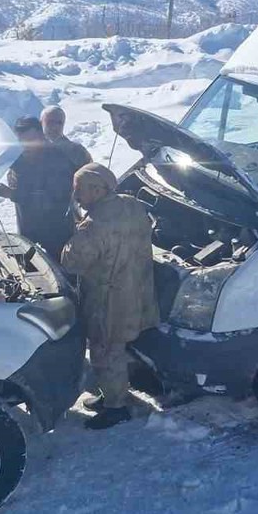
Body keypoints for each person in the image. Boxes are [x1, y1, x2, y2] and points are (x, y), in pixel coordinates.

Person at [60, 163, 159, 430]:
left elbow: (72, 262)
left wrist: (73, 233)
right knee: (117, 348)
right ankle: (111, 393)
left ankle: (116, 407)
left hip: (108, 301)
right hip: (137, 291)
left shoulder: (94, 224)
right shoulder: (132, 204)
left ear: (97, 189)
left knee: (105, 352)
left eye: (78, 189)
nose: (76, 195)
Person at [0, 117, 77, 260]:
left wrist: (13, 194)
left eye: (30, 140)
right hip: (28, 232)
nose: (26, 146)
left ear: (41, 136)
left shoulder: (58, 161)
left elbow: (54, 199)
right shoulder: (18, 160)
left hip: (55, 234)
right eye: (21, 141)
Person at [40, 105, 92, 172]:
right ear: (41, 123)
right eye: (50, 122)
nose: (55, 127)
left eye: (59, 123)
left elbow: (90, 177)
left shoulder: (77, 152)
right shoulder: (31, 151)